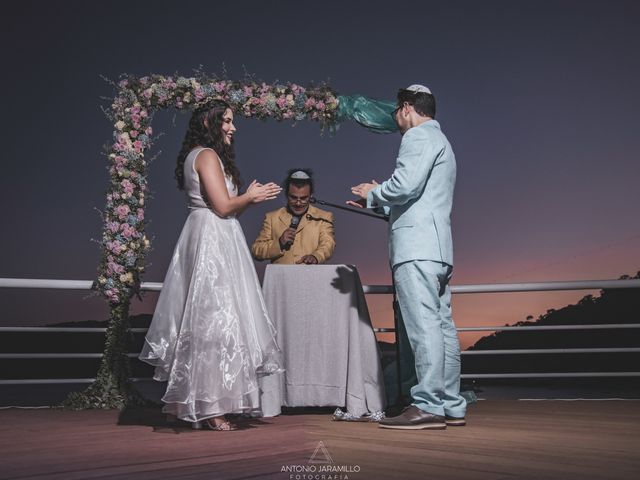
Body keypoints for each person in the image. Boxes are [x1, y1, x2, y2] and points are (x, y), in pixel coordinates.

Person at [139, 100, 284, 431]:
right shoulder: (205, 155)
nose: (233, 128)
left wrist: (247, 197)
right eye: (228, 121)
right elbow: (221, 206)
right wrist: (250, 196)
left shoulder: (207, 156)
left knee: (217, 321)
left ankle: (187, 402)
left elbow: (229, 210)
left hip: (219, 236)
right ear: (209, 122)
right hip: (211, 241)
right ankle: (210, 406)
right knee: (213, 322)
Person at [349, 84, 467, 430]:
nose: (396, 121)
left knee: (424, 327)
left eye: (396, 113)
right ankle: (451, 405)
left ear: (406, 108)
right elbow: (419, 197)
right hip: (438, 250)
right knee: (442, 327)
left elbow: (405, 186)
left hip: (416, 250)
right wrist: (377, 202)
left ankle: (428, 406)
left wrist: (375, 191)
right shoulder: (442, 141)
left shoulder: (417, 137)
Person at [251, 168, 335, 264]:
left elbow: (328, 244)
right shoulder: (272, 217)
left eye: (303, 198)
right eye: (293, 197)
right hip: (281, 277)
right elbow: (256, 250)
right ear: (287, 194)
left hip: (312, 276)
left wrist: (316, 257)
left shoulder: (324, 217)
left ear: (311, 196)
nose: (298, 203)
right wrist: (280, 242)